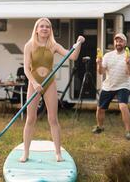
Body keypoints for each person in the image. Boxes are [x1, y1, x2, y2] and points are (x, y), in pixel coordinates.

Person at [20, 18, 85, 162]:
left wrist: (78, 43)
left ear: (50, 30)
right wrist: (34, 83)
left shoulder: (53, 45)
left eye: (47, 27)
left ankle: (58, 153)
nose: (44, 29)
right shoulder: (29, 45)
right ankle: (25, 153)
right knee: (31, 118)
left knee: (53, 119)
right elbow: (26, 69)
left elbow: (73, 56)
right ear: (36, 29)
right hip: (34, 83)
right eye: (41, 26)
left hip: (49, 83)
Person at [92, 33, 130, 140]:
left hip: (122, 85)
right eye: (116, 41)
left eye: (120, 41)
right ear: (114, 43)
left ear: (125, 43)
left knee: (123, 106)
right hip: (108, 85)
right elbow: (101, 72)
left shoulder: (129, 57)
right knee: (100, 109)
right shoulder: (108, 56)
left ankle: (128, 131)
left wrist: (128, 63)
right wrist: (99, 63)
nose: (118, 43)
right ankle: (100, 127)